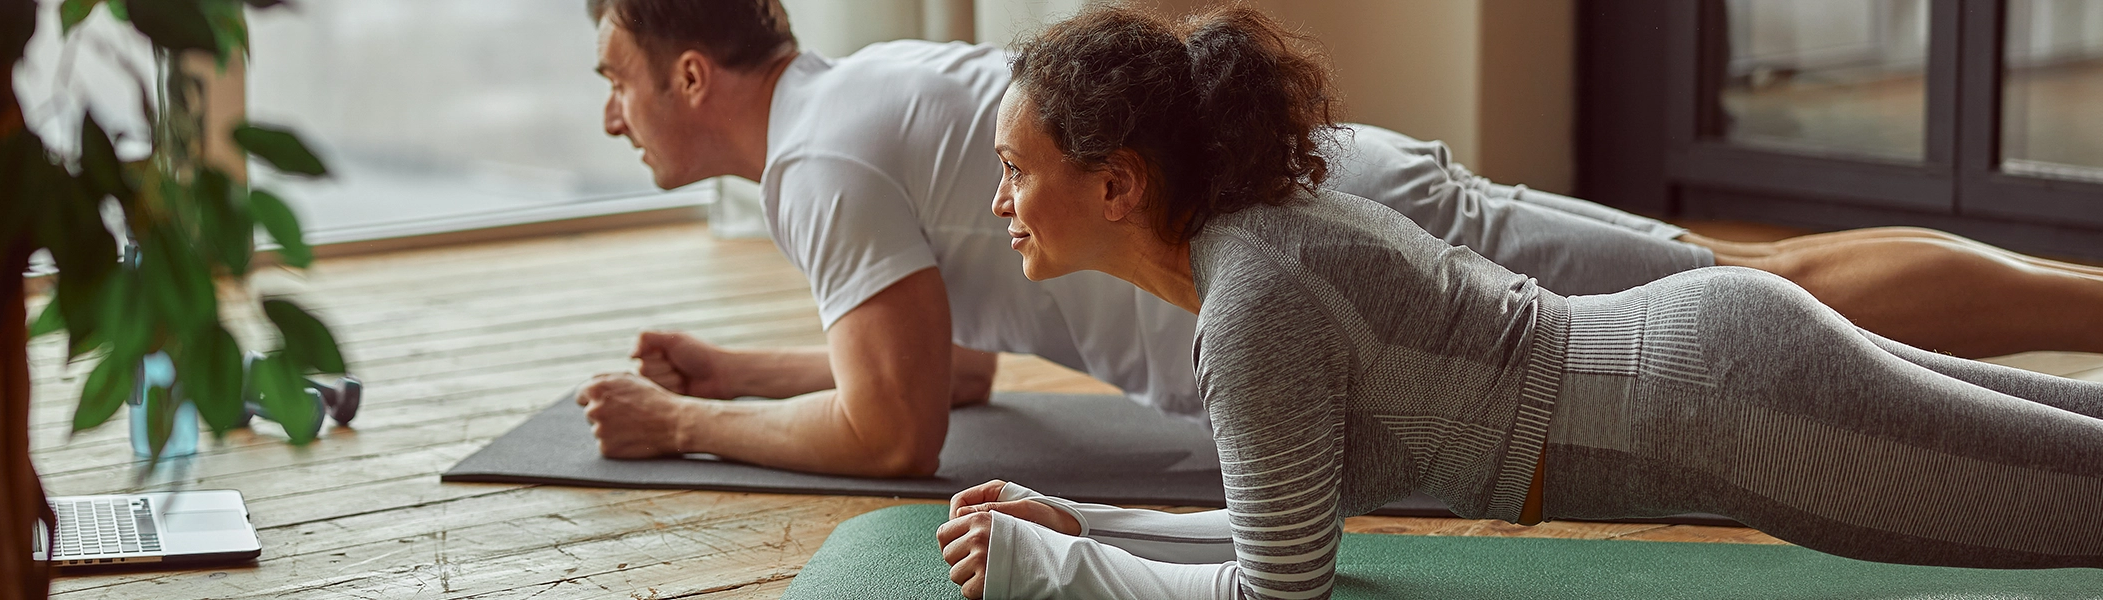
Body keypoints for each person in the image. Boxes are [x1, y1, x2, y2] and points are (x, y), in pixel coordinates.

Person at [573, 0, 2103, 478]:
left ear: (688, 74)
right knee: (1760, 296)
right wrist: (741, 361)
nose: (610, 113)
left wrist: (692, 423)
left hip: (1345, 241)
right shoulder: (859, 103)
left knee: (1765, 288)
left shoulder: (815, 169)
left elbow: (897, 430)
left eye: (615, 79)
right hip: (1349, 215)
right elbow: (951, 370)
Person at [935, 6, 2103, 599]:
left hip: (1732, 408)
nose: (999, 203)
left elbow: (1275, 589)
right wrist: (1086, 524)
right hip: (1724, 370)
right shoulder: (1259, 252)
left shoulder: (1255, 304)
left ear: (1116, 183)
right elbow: (1283, 523)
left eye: (1011, 168)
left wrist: (1053, 574)